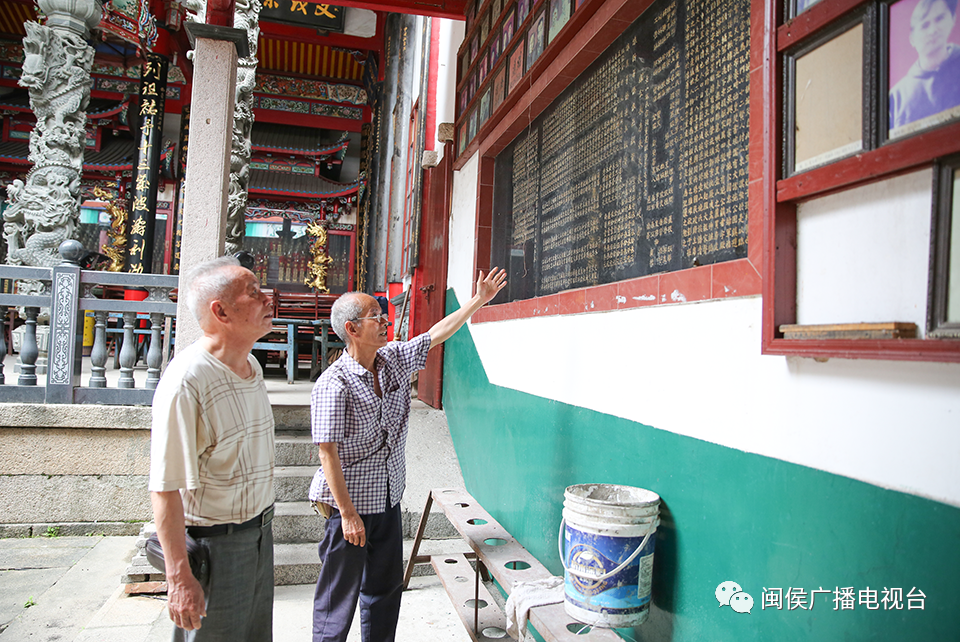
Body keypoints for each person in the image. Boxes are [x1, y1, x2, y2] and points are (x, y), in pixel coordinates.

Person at [309, 268, 507, 642]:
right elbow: (327, 454)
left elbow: (437, 334)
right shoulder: (333, 384)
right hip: (347, 508)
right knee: (337, 602)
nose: (385, 322)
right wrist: (349, 515)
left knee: (384, 593)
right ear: (352, 329)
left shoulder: (394, 360)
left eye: (384, 316)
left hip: (387, 499)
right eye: (376, 318)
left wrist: (478, 300)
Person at [149, 255, 277, 641]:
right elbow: (165, 487)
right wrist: (178, 577)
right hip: (216, 549)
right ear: (220, 311)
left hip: (260, 536)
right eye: (253, 293)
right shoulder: (187, 381)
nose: (268, 298)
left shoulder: (250, 367)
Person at [889, 0, 960, 129]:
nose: (933, 30)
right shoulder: (896, 97)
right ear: (912, 39)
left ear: (953, 19)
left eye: (939, 19)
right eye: (925, 25)